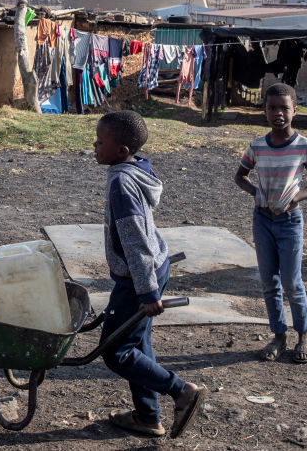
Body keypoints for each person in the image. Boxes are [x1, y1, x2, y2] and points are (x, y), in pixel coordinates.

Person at [93, 110, 206, 438]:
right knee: (138, 345)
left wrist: (147, 291)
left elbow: (135, 241)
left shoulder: (121, 183)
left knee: (116, 351)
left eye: (100, 141)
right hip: (153, 266)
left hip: (138, 277)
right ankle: (147, 416)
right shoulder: (135, 169)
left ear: (122, 150)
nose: (94, 146)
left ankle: (181, 391)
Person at [234, 84, 307, 364]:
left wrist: (295, 197)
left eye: (284, 108)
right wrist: (256, 193)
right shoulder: (257, 146)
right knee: (269, 281)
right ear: (264, 110)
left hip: (289, 221)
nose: (278, 113)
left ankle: (305, 333)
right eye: (272, 108)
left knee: (292, 281)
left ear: (294, 110)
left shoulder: (304, 146)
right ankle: (278, 335)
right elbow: (240, 176)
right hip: (262, 219)